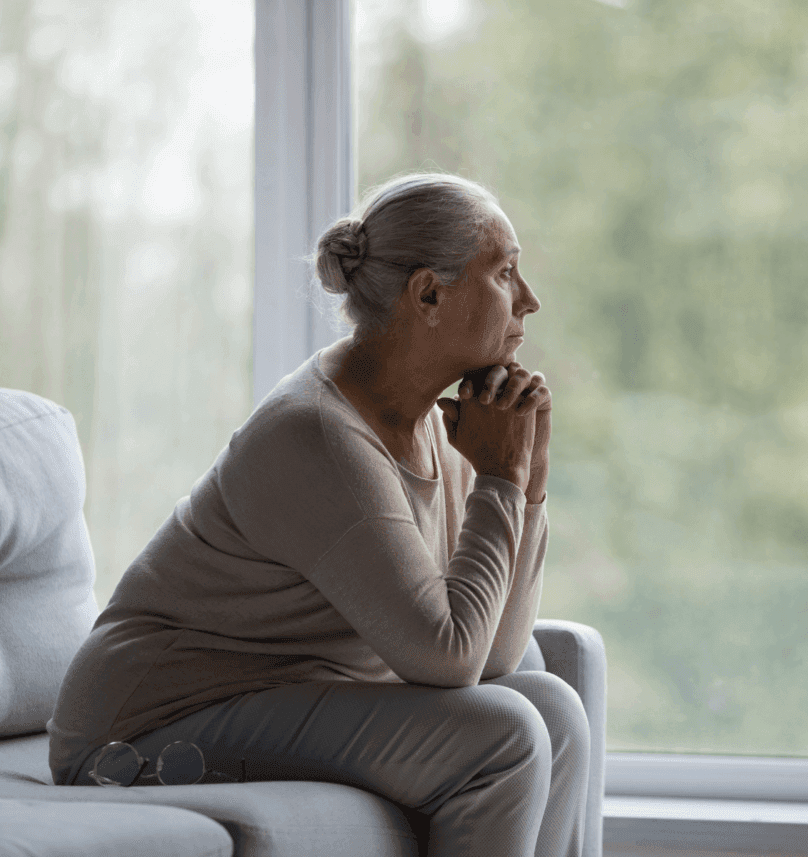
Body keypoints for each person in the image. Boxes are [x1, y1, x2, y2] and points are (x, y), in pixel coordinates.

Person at [47, 171, 590, 856]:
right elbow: (450, 657)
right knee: (505, 733)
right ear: (428, 293)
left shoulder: (434, 421)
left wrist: (525, 481)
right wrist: (501, 481)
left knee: (554, 711)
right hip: (140, 727)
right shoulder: (318, 434)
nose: (530, 300)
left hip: (276, 695)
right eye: (507, 273)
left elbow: (494, 658)